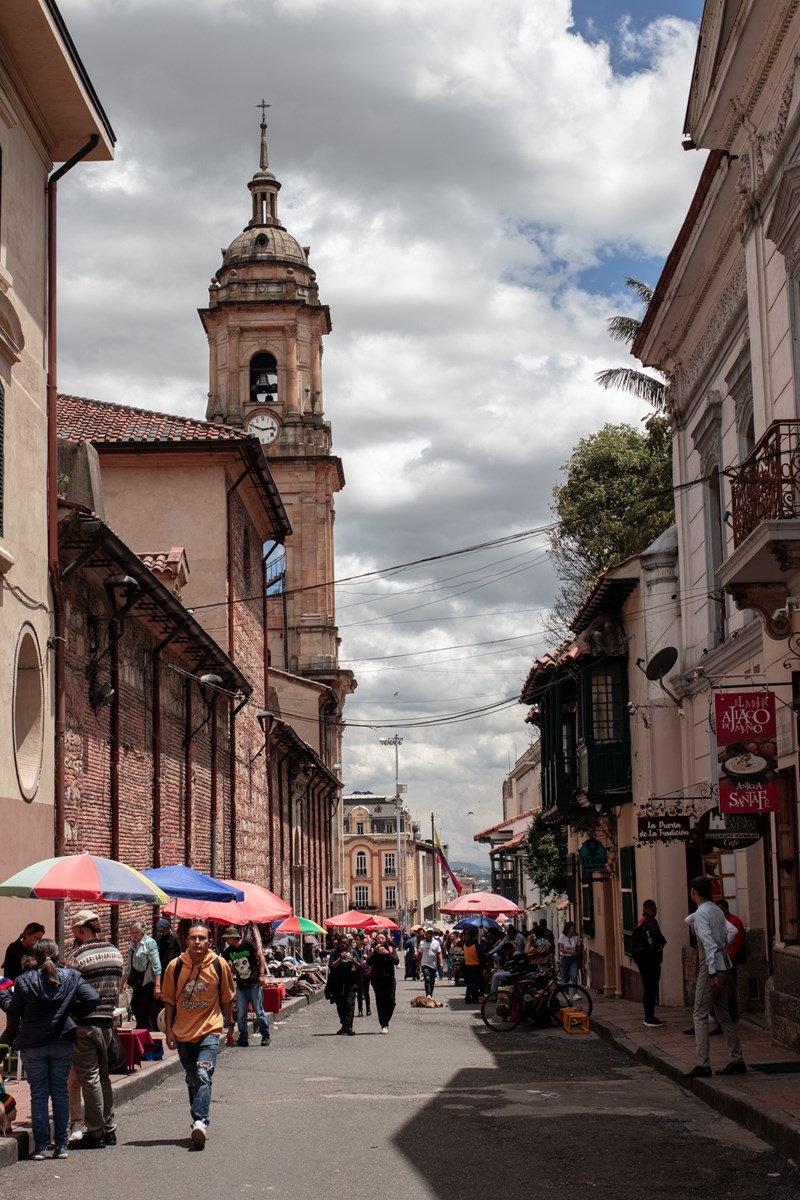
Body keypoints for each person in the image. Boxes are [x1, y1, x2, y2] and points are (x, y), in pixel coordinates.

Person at [7, 939, 99, 1160]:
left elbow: (15, 1009)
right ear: (58, 955)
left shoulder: (23, 980)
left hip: (32, 1043)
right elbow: (92, 998)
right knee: (59, 1092)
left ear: (35, 956)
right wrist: (72, 1010)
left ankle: (40, 1147)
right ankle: (61, 1146)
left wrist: (2, 992)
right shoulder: (71, 976)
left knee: (38, 1095)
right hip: (61, 1041)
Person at [161, 920, 235, 1149]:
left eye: (202, 938)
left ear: (210, 941)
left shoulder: (219, 965)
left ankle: (200, 1121)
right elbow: (169, 1001)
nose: (197, 942)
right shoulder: (175, 967)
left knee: (203, 1075)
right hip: (183, 1032)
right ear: (186, 941)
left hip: (210, 1030)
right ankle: (198, 1119)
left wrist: (230, 1025)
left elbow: (226, 998)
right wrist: (169, 1030)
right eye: (193, 938)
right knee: (192, 1079)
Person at [65, 910, 124, 1149]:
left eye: (74, 930)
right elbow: (120, 984)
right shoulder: (115, 952)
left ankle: (95, 1132)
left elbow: (68, 990)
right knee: (104, 1078)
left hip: (85, 1024)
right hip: (107, 1021)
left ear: (81, 929)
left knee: (89, 1080)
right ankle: (109, 1129)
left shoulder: (78, 955)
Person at [686, 876, 745, 1078]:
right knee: (723, 1014)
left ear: (694, 892)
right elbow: (732, 931)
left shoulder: (701, 914)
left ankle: (703, 1063)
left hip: (711, 966)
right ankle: (737, 1059)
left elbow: (708, 944)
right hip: (725, 964)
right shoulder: (717, 910)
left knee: (699, 1014)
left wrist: (711, 973)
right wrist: (724, 949)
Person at [220, 926, 270, 1047]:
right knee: (241, 1013)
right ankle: (243, 1038)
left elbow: (261, 957)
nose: (226, 941)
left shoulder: (248, 944)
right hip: (241, 985)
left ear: (233, 937)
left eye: (227, 938)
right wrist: (231, 970)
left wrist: (262, 974)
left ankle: (265, 1036)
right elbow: (224, 965)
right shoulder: (229, 951)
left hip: (253, 983)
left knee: (258, 1011)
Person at [0, 922, 45, 1048]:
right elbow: (11, 974)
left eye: (40, 940)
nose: (37, 942)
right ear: (27, 934)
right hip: (13, 992)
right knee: (12, 1028)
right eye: (36, 938)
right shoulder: (14, 948)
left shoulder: (37, 951)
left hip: (31, 994)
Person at [631, 900, 667, 1028]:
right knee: (651, 988)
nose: (656, 911)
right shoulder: (651, 921)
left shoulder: (640, 922)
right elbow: (657, 935)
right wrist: (661, 944)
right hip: (650, 958)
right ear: (652, 908)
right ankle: (649, 1017)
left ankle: (649, 1016)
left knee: (647, 987)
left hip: (641, 959)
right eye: (655, 908)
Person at [121, 921, 161, 1031]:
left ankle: (148, 1036)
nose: (134, 935)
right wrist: (122, 983)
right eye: (132, 933)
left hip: (148, 982)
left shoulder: (150, 943)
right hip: (137, 982)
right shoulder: (132, 945)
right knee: (135, 1007)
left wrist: (158, 986)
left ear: (143, 932)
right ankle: (144, 1034)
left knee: (142, 1011)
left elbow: (157, 965)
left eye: (136, 932)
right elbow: (129, 966)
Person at [365, 932, 398, 1033]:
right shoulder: (372, 949)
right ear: (376, 940)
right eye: (378, 939)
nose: (380, 940)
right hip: (377, 981)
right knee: (381, 1002)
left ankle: (386, 1020)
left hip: (390, 980)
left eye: (382, 938)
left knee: (391, 1002)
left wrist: (387, 954)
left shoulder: (391, 949)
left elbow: (396, 961)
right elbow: (368, 961)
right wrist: (375, 952)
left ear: (386, 940)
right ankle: (384, 1024)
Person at [327, 935, 360, 1035]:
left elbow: (359, 966)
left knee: (349, 1004)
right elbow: (332, 966)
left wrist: (353, 960)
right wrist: (340, 958)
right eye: (342, 944)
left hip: (350, 982)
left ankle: (349, 1027)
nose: (344, 946)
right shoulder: (334, 952)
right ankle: (344, 1025)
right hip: (337, 982)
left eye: (346, 944)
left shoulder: (353, 952)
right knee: (340, 1005)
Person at [416, 928, 444, 998]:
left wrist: (441, 962)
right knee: (427, 978)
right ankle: (428, 994)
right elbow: (419, 954)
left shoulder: (436, 943)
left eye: (431, 933)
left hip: (433, 964)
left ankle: (430, 993)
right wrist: (418, 965)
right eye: (428, 933)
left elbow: (439, 953)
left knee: (432, 981)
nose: (430, 935)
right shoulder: (422, 943)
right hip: (425, 964)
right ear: (426, 934)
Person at [462, 926, 485, 1003]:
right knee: (475, 983)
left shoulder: (465, 945)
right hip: (476, 965)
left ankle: (468, 997)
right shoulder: (477, 946)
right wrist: (483, 967)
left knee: (469, 983)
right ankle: (475, 998)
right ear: (476, 934)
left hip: (467, 965)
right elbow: (481, 957)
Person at [557, 922, 580, 993]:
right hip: (565, 958)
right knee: (565, 977)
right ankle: (565, 993)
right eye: (572, 928)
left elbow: (578, 948)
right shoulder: (562, 937)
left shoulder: (576, 937)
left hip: (574, 959)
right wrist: (570, 952)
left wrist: (576, 953)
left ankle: (575, 993)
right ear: (568, 929)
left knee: (574, 976)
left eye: (574, 928)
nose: (574, 929)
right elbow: (561, 948)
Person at [354, 933, 372, 1018]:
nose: (356, 941)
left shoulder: (367, 949)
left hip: (366, 973)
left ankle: (368, 1009)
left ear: (361, 940)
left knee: (366, 992)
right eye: (355, 939)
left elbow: (371, 959)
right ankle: (360, 1010)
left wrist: (367, 957)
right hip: (357, 973)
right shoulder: (354, 950)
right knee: (359, 992)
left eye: (357, 939)